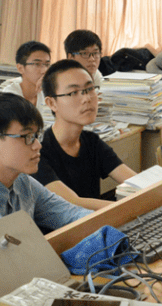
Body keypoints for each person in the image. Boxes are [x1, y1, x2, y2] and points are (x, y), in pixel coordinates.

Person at [0, 93, 89, 232]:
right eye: (27, 137)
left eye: (36, 136)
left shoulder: (24, 183)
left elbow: (71, 214)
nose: (37, 145)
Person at [31, 60, 135, 210]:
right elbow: (72, 203)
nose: (86, 98)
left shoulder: (91, 141)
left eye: (89, 89)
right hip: (63, 232)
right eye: (74, 93)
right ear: (52, 103)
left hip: (94, 226)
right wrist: (126, 208)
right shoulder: (38, 151)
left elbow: (135, 181)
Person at [0, 40, 51, 108]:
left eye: (47, 64)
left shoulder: (45, 93)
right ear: (20, 68)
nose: (44, 70)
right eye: (37, 64)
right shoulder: (10, 97)